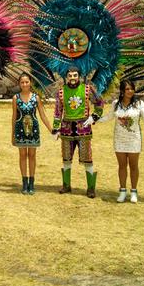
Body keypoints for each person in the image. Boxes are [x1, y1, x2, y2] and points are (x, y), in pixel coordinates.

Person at [99, 79, 144, 203]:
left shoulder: (139, 104)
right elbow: (108, 117)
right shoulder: (116, 104)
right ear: (122, 91)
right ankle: (122, 191)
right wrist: (93, 120)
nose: (130, 91)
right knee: (122, 166)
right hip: (119, 139)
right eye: (127, 89)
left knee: (134, 166)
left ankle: (134, 191)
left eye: (131, 89)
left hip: (134, 139)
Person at [52, 66, 105, 198]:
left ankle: (91, 188)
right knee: (66, 159)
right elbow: (58, 111)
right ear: (66, 77)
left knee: (87, 159)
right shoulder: (61, 92)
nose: (73, 78)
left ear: (79, 76)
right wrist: (56, 129)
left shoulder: (88, 89)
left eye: (75, 75)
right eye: (70, 75)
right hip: (66, 130)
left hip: (84, 129)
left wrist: (94, 117)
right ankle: (66, 185)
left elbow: (99, 103)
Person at [11, 73, 52, 194]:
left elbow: (42, 115)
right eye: (22, 82)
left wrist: (51, 130)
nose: (24, 84)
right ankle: (24, 183)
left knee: (32, 156)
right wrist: (12, 134)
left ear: (31, 83)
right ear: (19, 84)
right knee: (22, 155)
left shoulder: (36, 98)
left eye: (27, 82)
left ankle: (32, 182)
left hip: (33, 130)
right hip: (20, 129)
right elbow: (14, 117)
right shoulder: (15, 98)